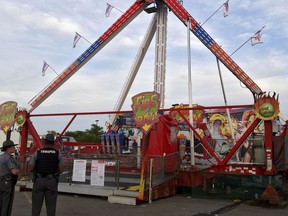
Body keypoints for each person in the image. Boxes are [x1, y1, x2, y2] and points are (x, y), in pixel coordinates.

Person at [29, 134, 64, 216]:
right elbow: (62, 169)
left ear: (44, 142)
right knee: (51, 206)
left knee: (36, 206)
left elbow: (30, 167)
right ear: (53, 143)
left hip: (39, 180)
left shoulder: (37, 153)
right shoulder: (57, 154)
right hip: (52, 181)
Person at [0, 140, 20, 216]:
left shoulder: (1, 157)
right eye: (13, 146)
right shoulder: (8, 158)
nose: (14, 148)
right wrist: (18, 170)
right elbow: (14, 171)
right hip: (7, 182)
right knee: (6, 203)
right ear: (8, 148)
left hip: (1, 181)